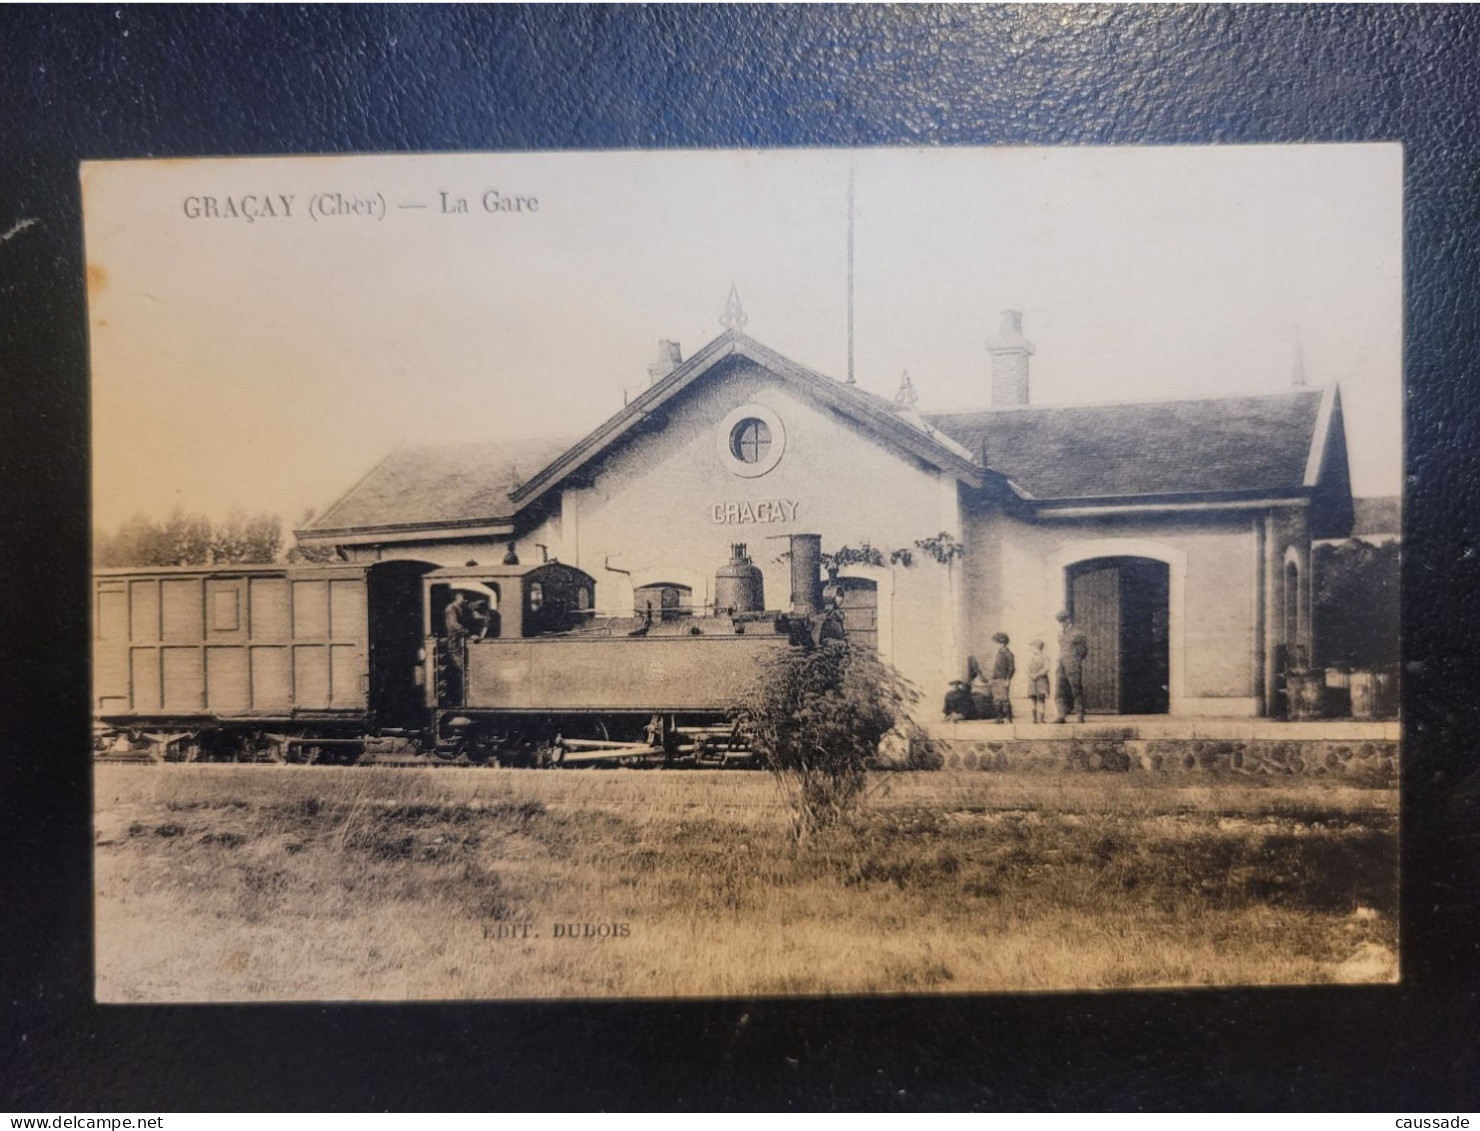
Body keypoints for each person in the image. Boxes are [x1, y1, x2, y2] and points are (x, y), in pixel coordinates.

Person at [1054, 610, 1089, 724]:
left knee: (1076, 690)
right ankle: (1061, 715)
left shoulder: (1077, 634)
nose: (1062, 623)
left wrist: (1074, 661)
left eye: (1064, 621)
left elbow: (1083, 651)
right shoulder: (1059, 634)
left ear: (1069, 619)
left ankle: (1080, 715)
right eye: (1060, 621)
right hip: (1061, 665)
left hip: (1073, 665)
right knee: (1059, 690)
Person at [989, 631, 1015, 723]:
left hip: (1003, 679)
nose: (994, 645)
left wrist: (1008, 679)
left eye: (995, 643)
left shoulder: (1008, 653)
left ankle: (1008, 718)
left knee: (1005, 699)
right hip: (995, 679)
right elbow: (995, 668)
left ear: (1002, 643)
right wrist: (992, 679)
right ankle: (999, 717)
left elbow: (1012, 668)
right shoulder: (999, 653)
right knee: (997, 699)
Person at [1025, 638, 1051, 723]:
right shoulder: (1031, 657)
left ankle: (1041, 719)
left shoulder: (1045, 656)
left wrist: (1037, 675)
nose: (1031, 648)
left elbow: (1046, 668)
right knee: (1033, 699)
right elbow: (1027, 668)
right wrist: (1031, 675)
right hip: (1032, 681)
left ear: (1037, 647)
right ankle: (1034, 719)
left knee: (1041, 699)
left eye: (1032, 646)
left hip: (1041, 681)